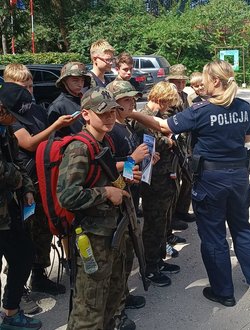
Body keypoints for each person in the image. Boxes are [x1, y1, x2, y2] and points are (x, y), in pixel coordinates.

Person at [128, 60, 250, 306]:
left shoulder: (201, 110)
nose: (201, 84)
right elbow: (248, 136)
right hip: (238, 177)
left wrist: (131, 113)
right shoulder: (244, 107)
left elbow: (164, 126)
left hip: (212, 180)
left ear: (215, 81)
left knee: (214, 236)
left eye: (204, 79)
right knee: (243, 228)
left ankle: (224, 292)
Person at [57, 86, 130, 330]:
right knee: (90, 304)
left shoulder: (104, 140)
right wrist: (107, 193)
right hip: (93, 236)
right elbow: (67, 196)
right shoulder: (80, 148)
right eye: (103, 113)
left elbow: (107, 175)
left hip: (112, 232)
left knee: (112, 293)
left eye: (113, 112)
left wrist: (124, 183)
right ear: (86, 115)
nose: (110, 117)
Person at [4, 64, 76, 299]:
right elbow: (29, 143)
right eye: (23, 86)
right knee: (26, 233)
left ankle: (38, 275)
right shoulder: (10, 114)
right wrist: (56, 126)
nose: (29, 90)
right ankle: (19, 286)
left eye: (31, 85)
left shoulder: (34, 109)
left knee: (44, 229)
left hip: (41, 177)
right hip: (22, 182)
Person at [107, 80, 150, 330]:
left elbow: (131, 160)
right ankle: (116, 310)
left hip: (131, 196)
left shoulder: (127, 126)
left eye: (132, 98)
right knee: (118, 255)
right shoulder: (111, 131)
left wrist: (145, 158)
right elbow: (109, 168)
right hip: (118, 199)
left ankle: (123, 295)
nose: (131, 103)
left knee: (128, 252)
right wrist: (132, 161)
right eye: (125, 100)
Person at [0, 82, 42, 329]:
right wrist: (18, 179)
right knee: (22, 254)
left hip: (8, 208)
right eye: (13, 117)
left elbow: (17, 163)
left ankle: (11, 312)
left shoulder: (6, 131)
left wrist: (26, 187)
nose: (16, 122)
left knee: (24, 254)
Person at [133, 81, 181, 287]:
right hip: (152, 179)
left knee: (162, 221)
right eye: (168, 102)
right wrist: (168, 141)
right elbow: (148, 144)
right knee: (153, 224)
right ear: (161, 99)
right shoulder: (143, 118)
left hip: (164, 176)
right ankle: (150, 267)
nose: (169, 106)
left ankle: (159, 259)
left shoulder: (159, 117)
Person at [166, 64, 196, 230]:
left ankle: (182, 210)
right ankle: (173, 217)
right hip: (173, 146)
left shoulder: (185, 97)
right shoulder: (168, 98)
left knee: (188, 179)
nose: (180, 85)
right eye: (176, 82)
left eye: (183, 81)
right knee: (174, 182)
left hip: (185, 145)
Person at [48, 61, 91, 136]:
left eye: (82, 80)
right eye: (75, 80)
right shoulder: (57, 106)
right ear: (64, 81)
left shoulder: (86, 100)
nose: (80, 84)